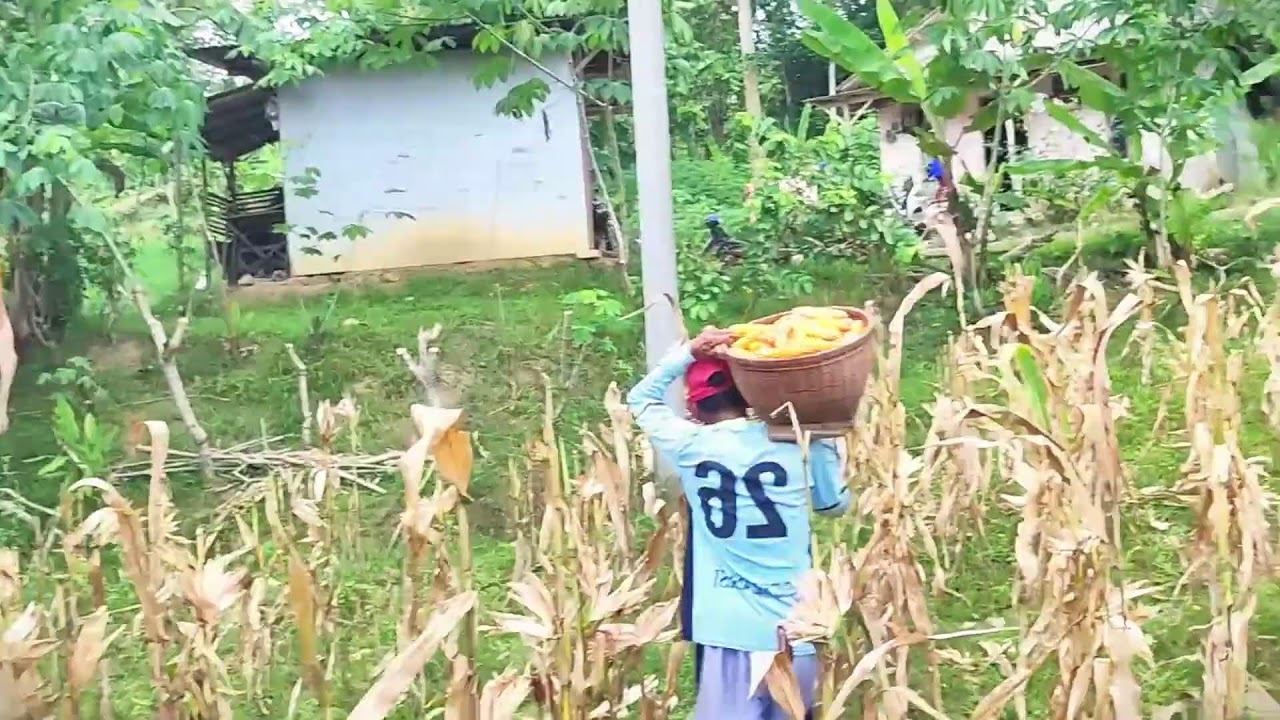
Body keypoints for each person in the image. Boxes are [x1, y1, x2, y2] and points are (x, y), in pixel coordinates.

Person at [626, 328, 851, 719]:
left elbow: (640, 400)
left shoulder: (690, 445)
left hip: (726, 633)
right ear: (750, 395)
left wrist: (687, 354)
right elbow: (833, 505)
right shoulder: (799, 443)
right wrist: (825, 442)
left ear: (694, 408)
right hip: (796, 628)